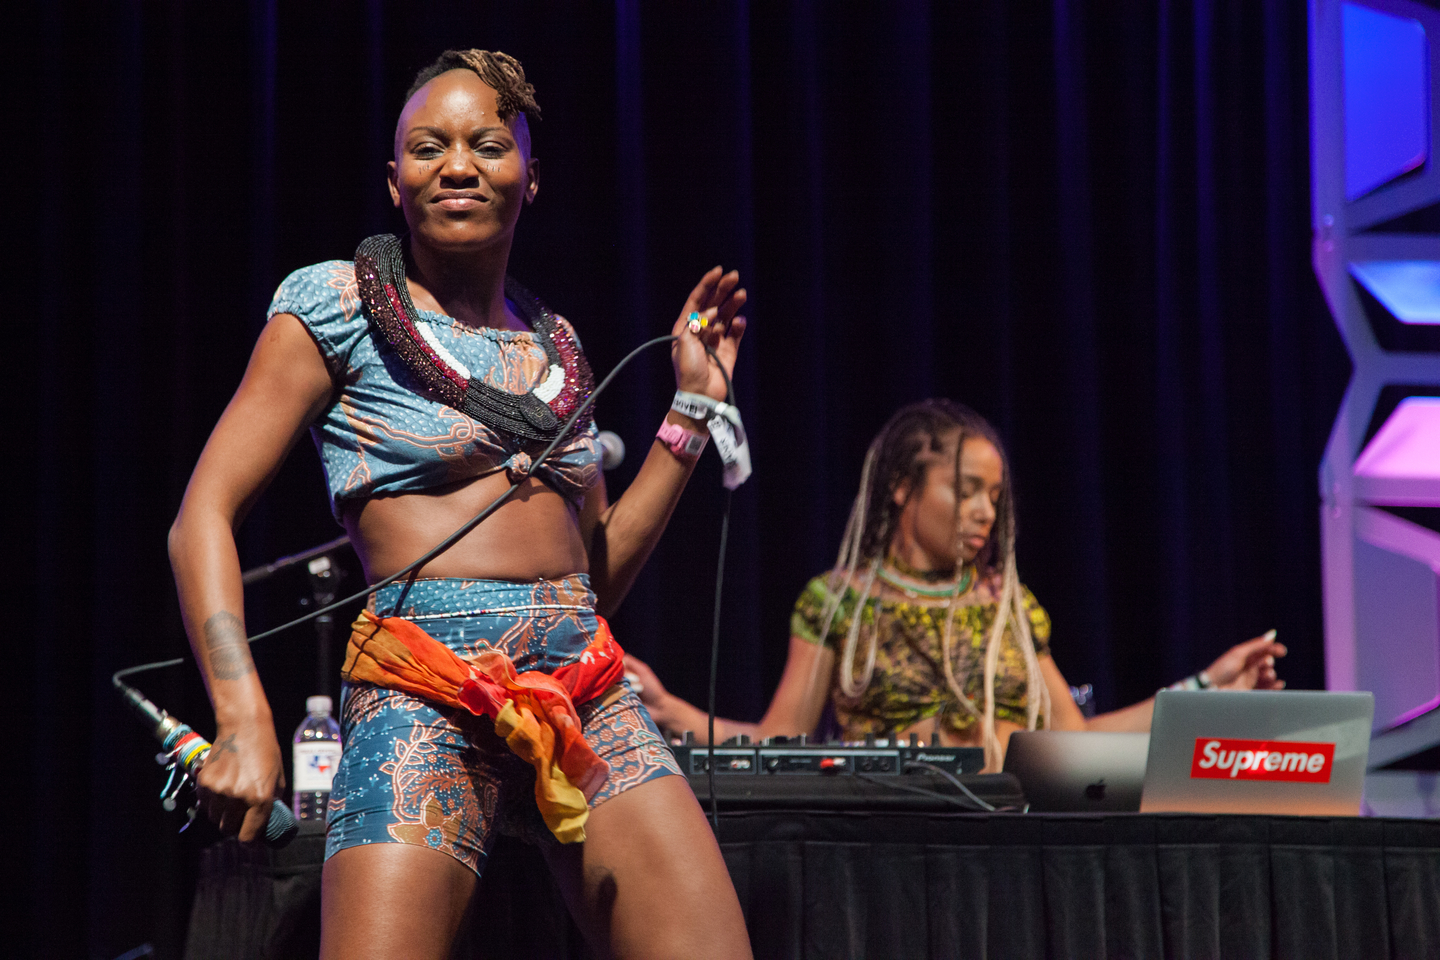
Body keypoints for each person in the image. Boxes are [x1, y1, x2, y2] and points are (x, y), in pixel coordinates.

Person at [168, 50, 753, 960]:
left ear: (529, 178)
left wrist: (688, 413)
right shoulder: (336, 306)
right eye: (428, 147)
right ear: (394, 181)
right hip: (423, 689)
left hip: (583, 690)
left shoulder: (557, 347)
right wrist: (242, 714)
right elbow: (201, 513)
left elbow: (593, 577)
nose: (458, 165)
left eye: (487, 145)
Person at [628, 399, 1285, 771]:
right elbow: (782, 740)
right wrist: (670, 710)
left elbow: (1076, 741)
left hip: (1016, 838)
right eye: (967, 492)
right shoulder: (839, 602)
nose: (985, 513)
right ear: (903, 488)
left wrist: (1208, 689)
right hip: (893, 844)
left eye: (995, 497)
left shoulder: (1008, 604)